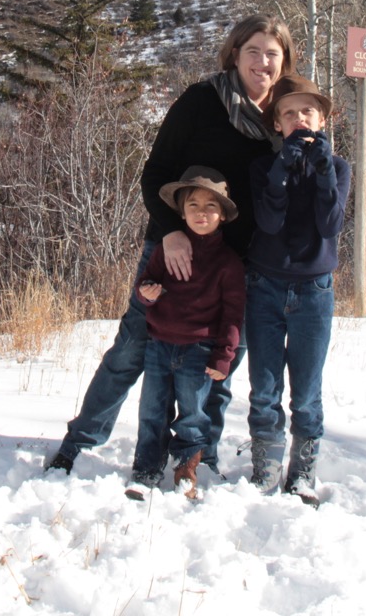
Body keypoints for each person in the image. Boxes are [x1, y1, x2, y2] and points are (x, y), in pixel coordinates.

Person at [46, 14, 296, 476]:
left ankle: (198, 457)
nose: (262, 62)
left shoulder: (285, 117)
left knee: (218, 366)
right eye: (253, 51)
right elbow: (155, 173)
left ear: (284, 61)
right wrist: (170, 232)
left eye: (272, 54)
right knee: (131, 352)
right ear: (235, 54)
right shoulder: (202, 100)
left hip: (238, 265)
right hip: (174, 254)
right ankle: (78, 444)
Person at [244, 73, 351, 505]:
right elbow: (268, 223)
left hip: (314, 291)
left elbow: (330, 225)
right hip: (264, 287)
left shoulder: (338, 167)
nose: (299, 119)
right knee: (264, 388)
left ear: (323, 119)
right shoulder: (261, 167)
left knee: (306, 392)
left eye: (307, 111)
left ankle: (303, 472)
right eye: (288, 113)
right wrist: (281, 171)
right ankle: (266, 468)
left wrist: (322, 172)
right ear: (277, 123)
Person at [125, 167, 246, 500]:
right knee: (152, 410)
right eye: (193, 205)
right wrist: (146, 293)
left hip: (199, 349)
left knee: (193, 414)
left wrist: (224, 355)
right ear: (181, 212)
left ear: (223, 214)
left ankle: (186, 470)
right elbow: (145, 284)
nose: (201, 213)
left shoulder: (228, 262)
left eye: (210, 206)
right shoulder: (166, 250)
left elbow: (233, 314)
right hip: (160, 344)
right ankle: (146, 470)